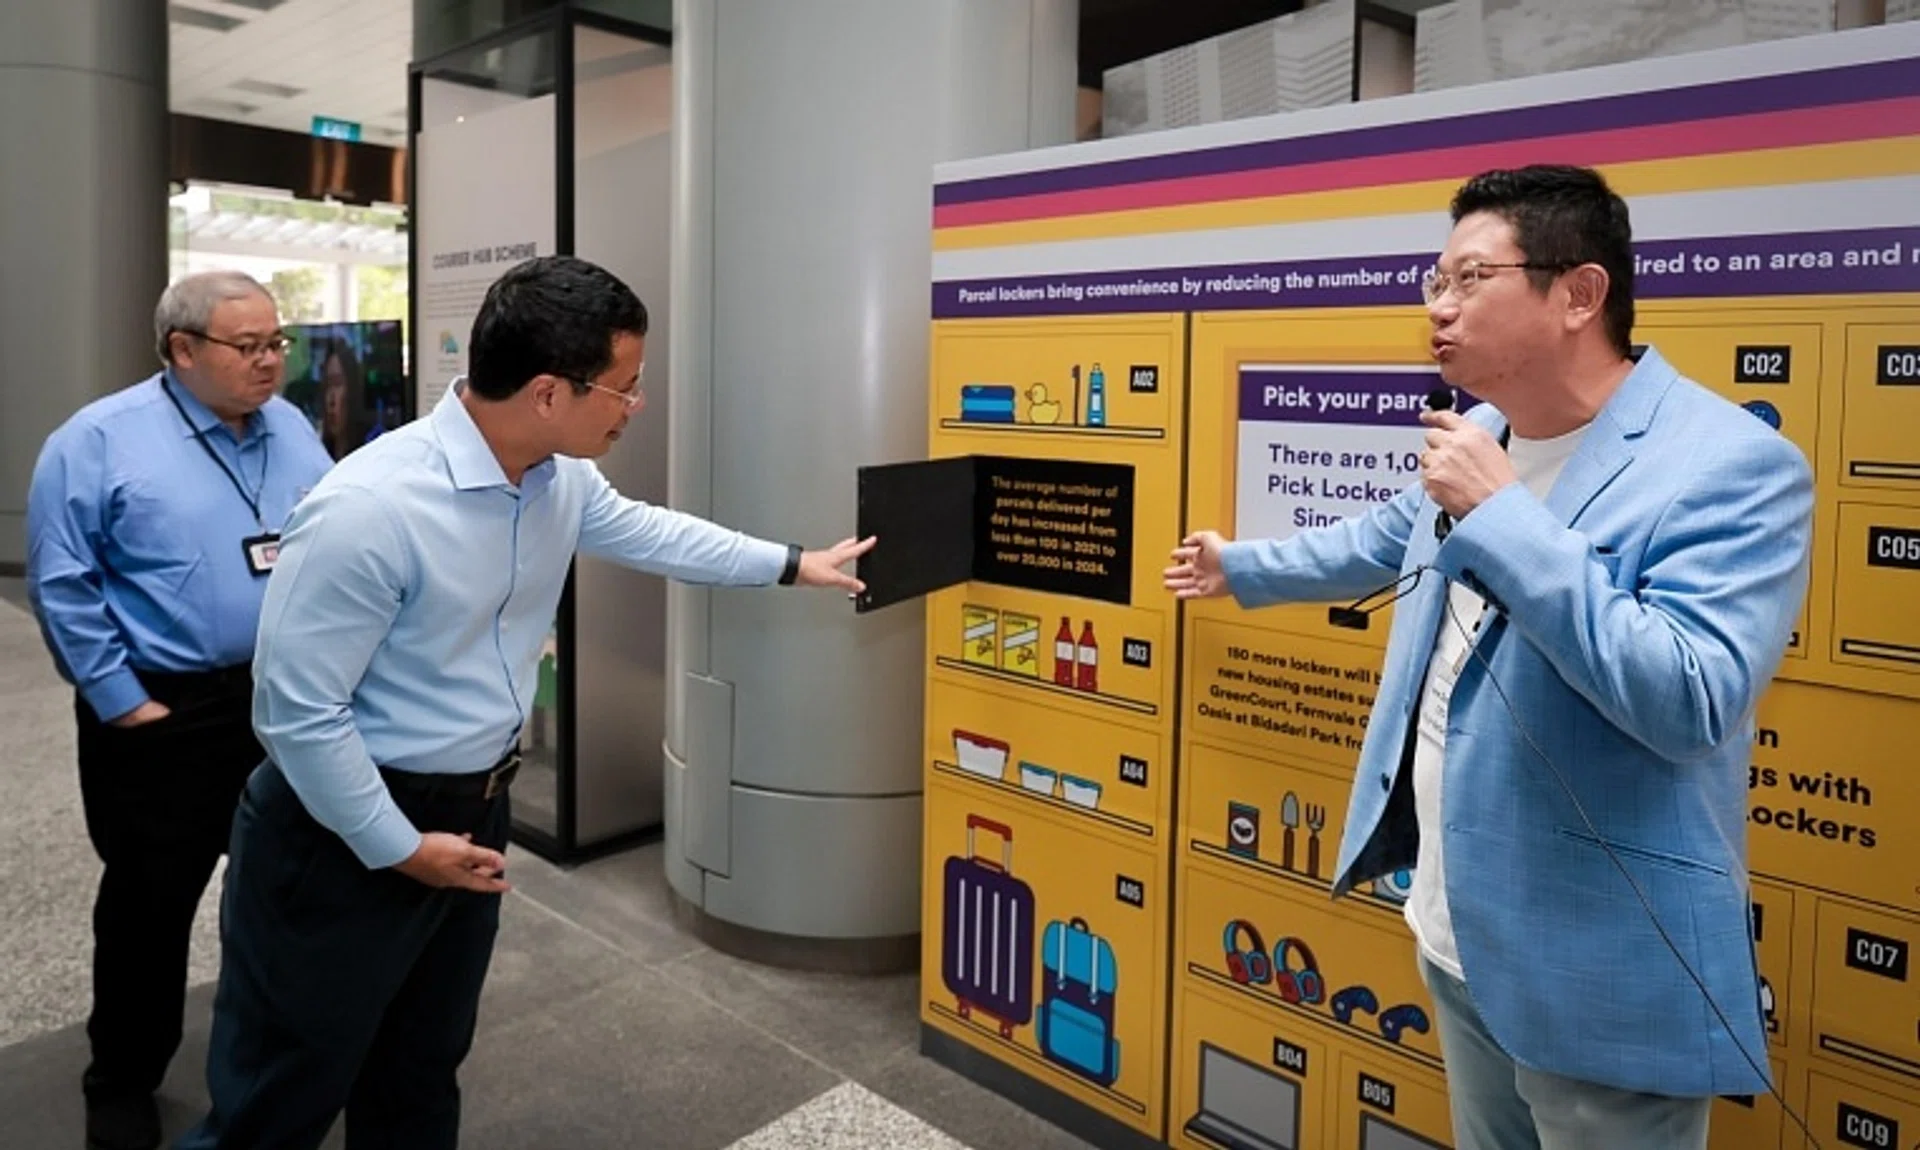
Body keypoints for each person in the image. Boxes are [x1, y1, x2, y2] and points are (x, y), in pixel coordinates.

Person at [1164, 165, 1811, 1150]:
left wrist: (1505, 514)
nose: (1439, 307)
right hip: (1458, 932)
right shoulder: (1483, 433)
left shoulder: (1730, 463)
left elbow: (1692, 695)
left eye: (1469, 279)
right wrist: (1238, 566)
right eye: (1434, 282)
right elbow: (1380, 541)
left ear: (1579, 294)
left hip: (1599, 968)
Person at [174, 255, 876, 1150]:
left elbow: (651, 531)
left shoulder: (557, 476)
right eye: (624, 388)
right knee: (280, 1096)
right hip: (343, 828)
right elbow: (297, 714)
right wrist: (398, 847)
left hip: (470, 811)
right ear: (549, 392)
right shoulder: (372, 509)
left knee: (420, 1072)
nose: (637, 406)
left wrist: (792, 563)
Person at [25, 270, 334, 1150]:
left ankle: (274, 1063)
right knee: (149, 907)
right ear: (182, 349)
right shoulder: (98, 440)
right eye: (250, 347)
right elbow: (62, 579)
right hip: (167, 712)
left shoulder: (292, 426)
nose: (271, 362)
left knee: (284, 890)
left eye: (278, 342)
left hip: (286, 697)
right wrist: (122, 703)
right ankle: (121, 1077)